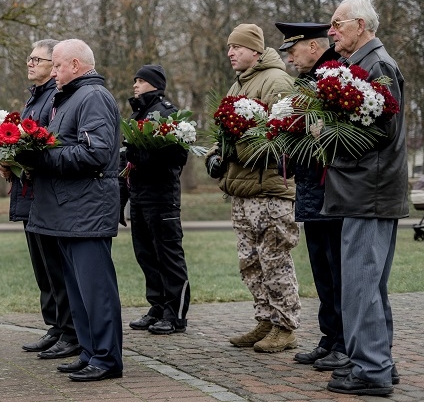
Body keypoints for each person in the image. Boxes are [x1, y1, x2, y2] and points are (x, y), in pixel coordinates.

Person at [19, 39, 123, 382]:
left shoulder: (92, 97)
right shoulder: (69, 98)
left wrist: (41, 158)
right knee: (78, 292)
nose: (55, 72)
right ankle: (90, 352)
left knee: (95, 291)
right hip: (67, 211)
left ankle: (107, 358)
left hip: (86, 211)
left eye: (59, 66)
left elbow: (95, 152)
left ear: (75, 65)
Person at [322, 0, 407, 396]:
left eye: (338, 23)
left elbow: (380, 133)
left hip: (368, 193)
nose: (331, 31)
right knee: (366, 284)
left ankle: (371, 370)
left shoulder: (378, 66)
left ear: (360, 25)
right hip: (363, 191)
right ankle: (376, 363)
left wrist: (324, 135)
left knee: (360, 285)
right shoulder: (360, 65)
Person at [205, 23, 301, 353]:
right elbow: (226, 134)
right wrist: (217, 154)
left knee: (274, 257)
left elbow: (283, 138)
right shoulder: (238, 84)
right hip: (242, 189)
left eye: (237, 47)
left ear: (256, 51)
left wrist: (239, 148)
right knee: (250, 261)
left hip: (269, 190)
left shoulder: (276, 81)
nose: (231, 53)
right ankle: (265, 319)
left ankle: (285, 326)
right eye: (230, 47)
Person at [0, 39, 78, 359]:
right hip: (29, 194)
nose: (30, 64)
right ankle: (55, 327)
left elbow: (47, 144)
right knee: (43, 269)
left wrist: (21, 161)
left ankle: (69, 331)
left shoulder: (54, 99)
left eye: (38, 59)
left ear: (54, 64)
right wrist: (8, 162)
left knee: (56, 269)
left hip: (45, 196)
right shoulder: (34, 99)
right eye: (29, 58)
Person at [275, 22, 348, 372]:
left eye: (294, 50)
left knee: (337, 269)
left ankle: (344, 342)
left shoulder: (335, 78)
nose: (289, 58)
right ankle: (329, 337)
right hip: (312, 190)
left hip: (332, 191)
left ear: (315, 47)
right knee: (321, 267)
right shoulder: (308, 82)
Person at [123, 65, 191, 335]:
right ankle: (158, 306)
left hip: (162, 197)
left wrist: (140, 157)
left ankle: (176, 314)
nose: (135, 85)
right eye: (135, 80)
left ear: (154, 84)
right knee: (146, 254)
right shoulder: (138, 112)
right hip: (140, 195)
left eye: (140, 80)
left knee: (168, 256)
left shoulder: (168, 113)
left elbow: (177, 157)